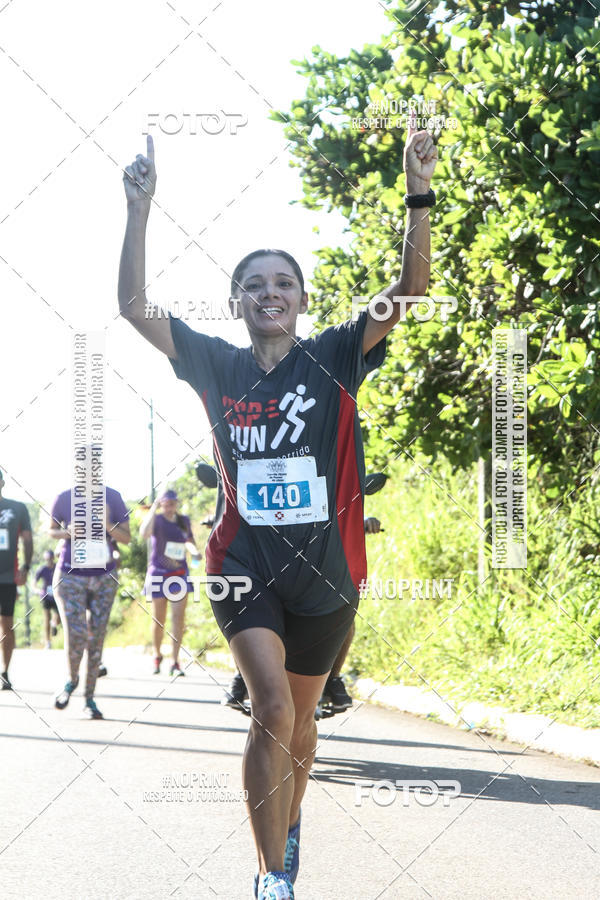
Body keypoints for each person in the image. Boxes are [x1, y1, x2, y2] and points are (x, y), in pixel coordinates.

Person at [118, 121, 436, 898]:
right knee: (267, 708)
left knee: (300, 725)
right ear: (237, 302)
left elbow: (414, 289)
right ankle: (272, 881)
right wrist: (138, 208)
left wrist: (417, 192)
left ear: (301, 300)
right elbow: (133, 305)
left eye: (283, 283)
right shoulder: (213, 363)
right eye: (254, 284)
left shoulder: (333, 356)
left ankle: (286, 825)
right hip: (243, 562)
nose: (270, 293)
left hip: (326, 571)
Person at [224, 515, 383, 714]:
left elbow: (342, 503)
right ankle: (241, 675)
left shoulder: (326, 487)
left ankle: (333, 678)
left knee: (342, 610)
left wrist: (363, 520)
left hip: (316, 567)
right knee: (241, 607)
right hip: (265, 564)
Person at [49, 485, 131, 718]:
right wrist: (68, 532)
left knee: (96, 636)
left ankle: (89, 699)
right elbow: (51, 531)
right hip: (69, 576)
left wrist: (107, 524)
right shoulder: (64, 497)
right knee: (76, 634)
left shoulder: (113, 497)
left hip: (104, 577)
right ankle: (71, 680)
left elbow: (126, 537)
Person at [140, 490, 201, 676]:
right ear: (161, 504)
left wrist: (195, 552)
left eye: (172, 504)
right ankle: (157, 655)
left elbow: (189, 541)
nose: (169, 508)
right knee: (159, 619)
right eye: (165, 504)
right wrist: (154, 509)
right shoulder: (157, 520)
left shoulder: (184, 521)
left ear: (177, 504)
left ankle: (175, 661)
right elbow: (144, 533)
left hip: (179, 574)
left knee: (178, 618)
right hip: (158, 573)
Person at [0, 469, 33, 689]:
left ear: (2, 483)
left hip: (7, 576)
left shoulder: (17, 508)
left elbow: (28, 540)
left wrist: (26, 567)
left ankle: (5, 673)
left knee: (6, 625)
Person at [34, 549, 60, 649]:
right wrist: (37, 590)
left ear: (53, 558)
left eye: (50, 559)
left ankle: (54, 624)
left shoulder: (58, 567)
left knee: (58, 617)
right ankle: (48, 642)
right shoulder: (42, 569)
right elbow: (34, 582)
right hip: (45, 596)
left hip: (57, 595)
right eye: (47, 559)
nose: (49, 561)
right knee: (47, 617)